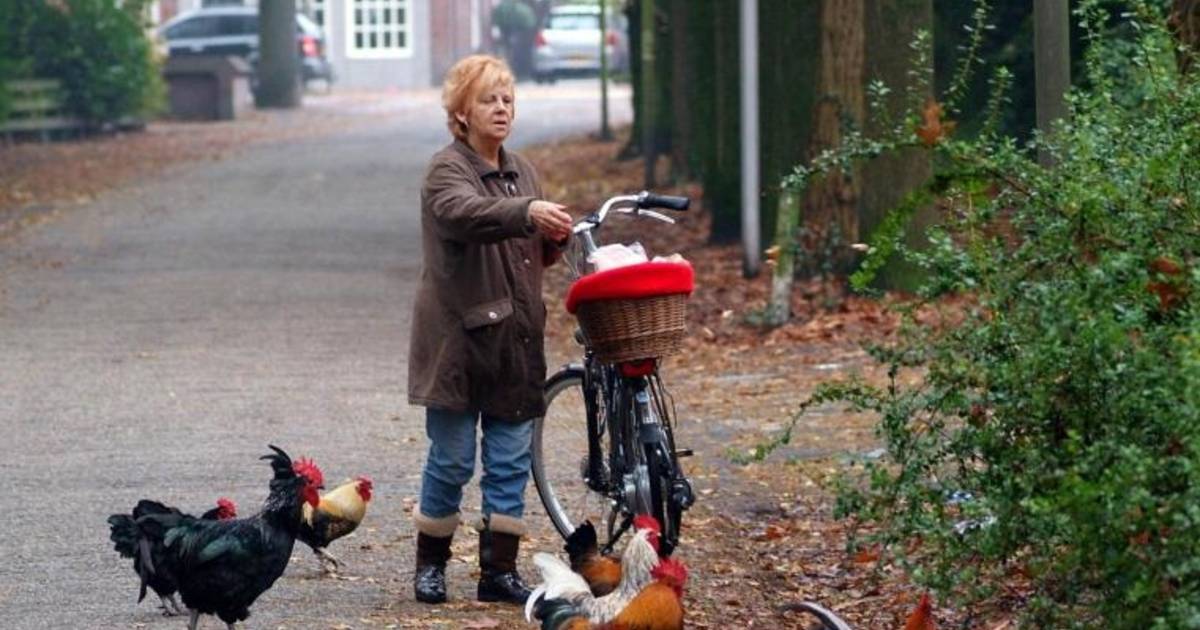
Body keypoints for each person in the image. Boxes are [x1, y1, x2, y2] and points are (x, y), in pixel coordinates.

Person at [407, 54, 572, 605]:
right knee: (452, 459)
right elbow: (465, 214)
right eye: (488, 100)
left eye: (507, 99)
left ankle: (497, 573)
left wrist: (552, 239)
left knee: (508, 462)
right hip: (458, 343)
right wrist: (528, 213)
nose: (501, 109)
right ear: (461, 111)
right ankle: (429, 566)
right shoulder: (445, 170)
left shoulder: (523, 171)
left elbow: (526, 252)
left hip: (515, 341)